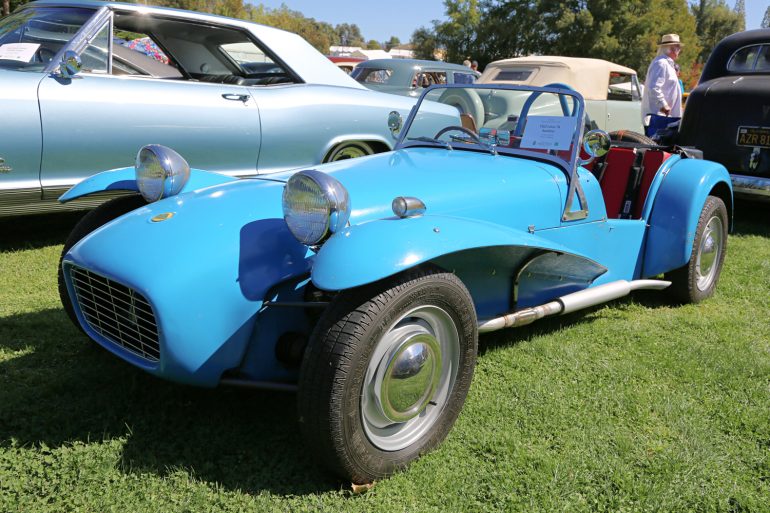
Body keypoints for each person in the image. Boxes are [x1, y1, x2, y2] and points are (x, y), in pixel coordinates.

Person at [642, 33, 683, 137]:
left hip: (666, 117)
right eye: (678, 47)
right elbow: (654, 88)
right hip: (660, 118)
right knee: (658, 148)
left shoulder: (666, 64)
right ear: (672, 49)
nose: (679, 50)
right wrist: (664, 106)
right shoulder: (661, 63)